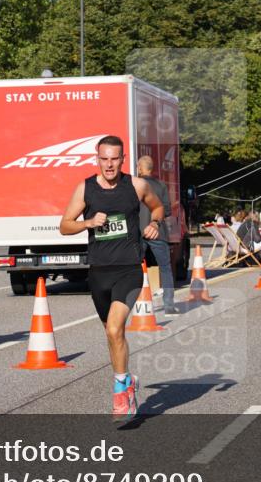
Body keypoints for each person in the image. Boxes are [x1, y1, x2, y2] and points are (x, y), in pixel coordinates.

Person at [59, 136, 164, 422]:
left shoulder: (137, 186)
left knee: (116, 329)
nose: (109, 164)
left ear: (122, 159)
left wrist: (154, 223)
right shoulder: (86, 188)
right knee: (110, 332)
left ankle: (121, 392)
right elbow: (64, 226)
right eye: (104, 158)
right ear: (97, 158)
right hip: (99, 272)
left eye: (114, 159)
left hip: (129, 270)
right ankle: (128, 379)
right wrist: (88, 223)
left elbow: (158, 207)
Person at [136, 155, 178, 316]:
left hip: (138, 232)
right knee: (165, 268)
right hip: (157, 232)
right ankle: (168, 306)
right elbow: (167, 210)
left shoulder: (135, 184)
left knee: (135, 268)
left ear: (140, 168)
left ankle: (138, 303)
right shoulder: (161, 185)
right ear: (151, 169)